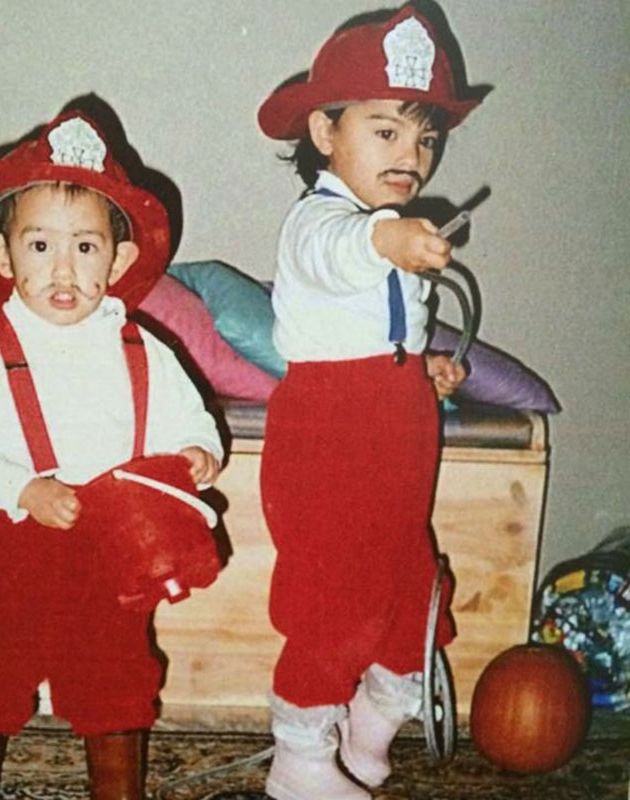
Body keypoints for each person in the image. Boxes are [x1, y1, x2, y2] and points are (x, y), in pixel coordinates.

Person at [0, 109, 223, 799]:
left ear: (117, 261)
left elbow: (188, 418)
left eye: (86, 248)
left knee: (115, 680)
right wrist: (20, 488)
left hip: (112, 549)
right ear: (2, 254)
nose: (63, 268)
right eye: (40, 246)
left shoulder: (140, 346)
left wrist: (199, 450)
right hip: (11, 542)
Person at [256, 5, 484, 798]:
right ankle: (300, 764)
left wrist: (417, 371)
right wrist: (389, 240)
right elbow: (339, 257)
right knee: (333, 597)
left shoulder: (385, 227)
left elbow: (380, 326)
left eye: (425, 138)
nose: (412, 156)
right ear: (324, 131)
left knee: (410, 589)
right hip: (329, 435)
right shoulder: (321, 222)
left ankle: (370, 731)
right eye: (386, 131)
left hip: (397, 429)